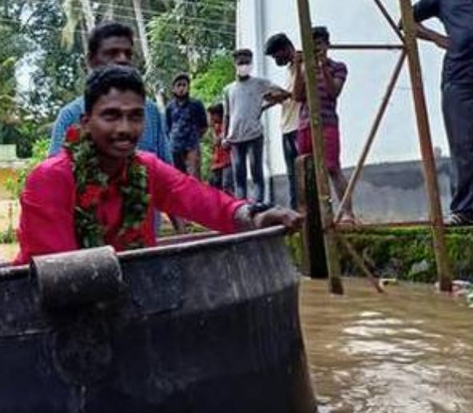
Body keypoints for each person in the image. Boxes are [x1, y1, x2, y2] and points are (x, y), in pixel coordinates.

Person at [16, 66, 302, 264]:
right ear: (86, 123)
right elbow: (60, 273)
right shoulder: (50, 180)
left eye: (135, 116)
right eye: (111, 116)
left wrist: (253, 216)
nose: (125, 128)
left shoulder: (145, 167)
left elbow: (200, 198)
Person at [412, 0, 473, 226]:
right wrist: (437, 38)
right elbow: (406, 20)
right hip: (458, 81)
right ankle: (463, 210)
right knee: (464, 144)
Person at [48, 22, 168, 160]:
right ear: (90, 61)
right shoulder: (70, 115)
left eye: (128, 54)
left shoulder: (151, 112)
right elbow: (56, 173)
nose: (122, 59)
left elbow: (168, 169)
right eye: (112, 53)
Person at [292, 26, 354, 223]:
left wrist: (322, 66)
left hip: (327, 122)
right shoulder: (303, 68)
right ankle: (313, 215)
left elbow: (333, 91)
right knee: (306, 168)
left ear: (328, 45)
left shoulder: (338, 67)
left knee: (333, 167)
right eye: (312, 45)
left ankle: (347, 212)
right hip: (305, 123)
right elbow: (297, 96)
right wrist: (298, 69)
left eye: (319, 44)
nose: (316, 48)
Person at [221, 49, 288, 201]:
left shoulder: (260, 83)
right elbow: (227, 114)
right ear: (235, 64)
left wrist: (264, 105)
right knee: (239, 175)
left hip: (254, 134)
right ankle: (241, 207)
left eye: (247, 63)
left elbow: (284, 94)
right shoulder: (228, 89)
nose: (244, 65)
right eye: (240, 63)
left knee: (256, 170)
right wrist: (223, 136)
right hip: (235, 137)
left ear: (251, 64)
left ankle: (257, 205)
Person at [264, 33, 301, 209]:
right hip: (287, 127)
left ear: (286, 49)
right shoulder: (290, 69)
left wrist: (282, 94)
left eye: (275, 56)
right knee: (292, 174)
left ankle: (304, 210)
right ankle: (295, 210)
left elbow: (299, 95)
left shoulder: (302, 66)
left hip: (299, 126)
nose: (275, 60)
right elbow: (290, 96)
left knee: (302, 172)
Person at [165, 73, 208, 179]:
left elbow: (204, 126)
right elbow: (168, 127)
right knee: (178, 177)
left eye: (184, 85)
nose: (181, 88)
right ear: (173, 89)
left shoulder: (196, 104)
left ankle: (195, 196)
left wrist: (195, 138)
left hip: (192, 146)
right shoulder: (169, 107)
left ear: (188, 87)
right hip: (175, 147)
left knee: (194, 178)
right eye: (178, 85)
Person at [207, 103, 234, 194]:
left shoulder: (227, 126)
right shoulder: (215, 127)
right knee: (214, 185)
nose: (211, 118)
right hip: (217, 162)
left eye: (212, 115)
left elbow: (222, 140)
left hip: (227, 160)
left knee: (227, 186)